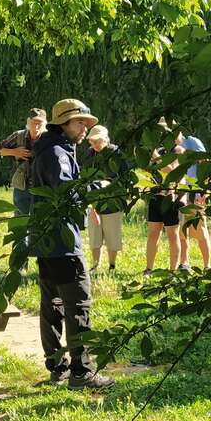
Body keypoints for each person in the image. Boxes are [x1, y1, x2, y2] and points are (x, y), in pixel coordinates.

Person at [31, 98, 114, 390]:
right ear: (63, 123)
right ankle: (83, 372)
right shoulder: (57, 153)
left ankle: (58, 368)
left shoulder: (52, 148)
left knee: (52, 305)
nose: (85, 129)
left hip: (45, 241)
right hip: (62, 242)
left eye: (87, 124)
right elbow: (67, 193)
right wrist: (96, 187)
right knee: (78, 304)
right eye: (80, 123)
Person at [144, 120, 185, 277]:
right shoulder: (158, 149)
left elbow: (172, 171)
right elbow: (147, 168)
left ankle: (172, 270)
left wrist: (156, 158)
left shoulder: (178, 150)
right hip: (156, 196)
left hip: (170, 198)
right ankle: (148, 269)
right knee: (153, 233)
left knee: (172, 234)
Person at [86, 125, 129, 273]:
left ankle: (112, 266)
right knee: (94, 236)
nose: (95, 144)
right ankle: (95, 265)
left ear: (106, 139)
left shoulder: (116, 153)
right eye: (92, 141)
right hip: (94, 200)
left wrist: (110, 183)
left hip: (113, 201)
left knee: (112, 236)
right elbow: (84, 177)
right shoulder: (89, 154)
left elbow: (126, 177)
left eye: (98, 141)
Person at [0, 108, 47, 215]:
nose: (36, 127)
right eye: (33, 123)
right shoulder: (19, 136)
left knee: (41, 221)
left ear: (45, 124)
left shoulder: (49, 138)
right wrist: (14, 152)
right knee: (20, 221)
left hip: (43, 187)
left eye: (39, 124)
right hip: (22, 186)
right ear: (28, 122)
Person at [175, 131, 211, 271]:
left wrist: (205, 191)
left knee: (201, 230)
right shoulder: (168, 148)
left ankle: (207, 266)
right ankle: (184, 263)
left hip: (196, 194)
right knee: (182, 232)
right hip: (179, 196)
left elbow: (206, 166)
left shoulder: (192, 142)